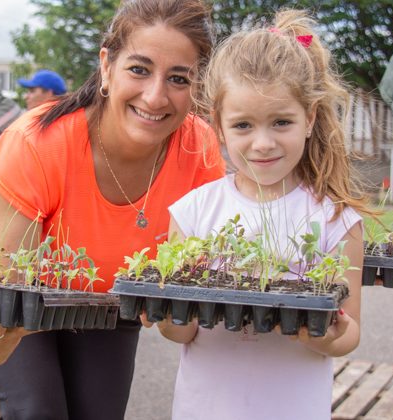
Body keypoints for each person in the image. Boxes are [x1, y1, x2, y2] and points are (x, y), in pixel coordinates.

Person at [0, 1, 225, 418]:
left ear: (196, 84)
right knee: (39, 408)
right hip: (7, 277)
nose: (155, 96)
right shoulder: (38, 143)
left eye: (178, 78)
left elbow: (187, 284)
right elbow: (13, 289)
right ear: (107, 66)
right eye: (139, 69)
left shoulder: (199, 150)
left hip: (101, 287)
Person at [146, 10, 376, 419]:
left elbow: (350, 332)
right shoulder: (194, 211)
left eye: (281, 122)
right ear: (218, 126)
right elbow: (184, 330)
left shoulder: (335, 218)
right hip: (205, 408)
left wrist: (324, 334)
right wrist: (166, 316)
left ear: (310, 119)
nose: (263, 143)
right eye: (243, 125)